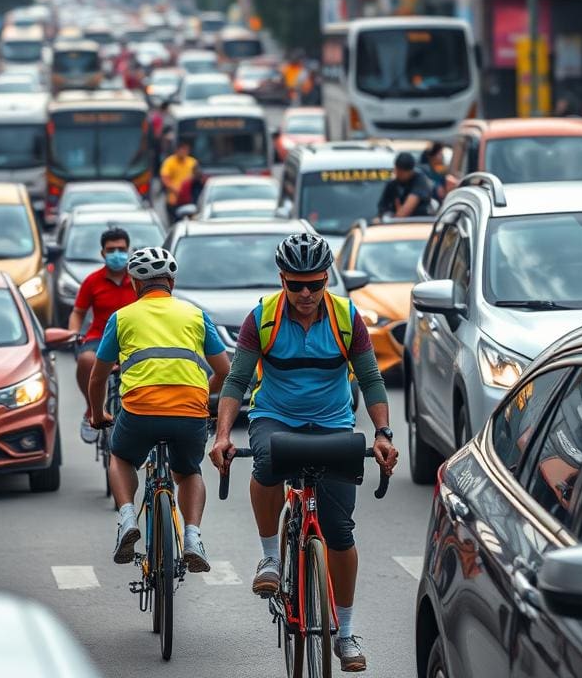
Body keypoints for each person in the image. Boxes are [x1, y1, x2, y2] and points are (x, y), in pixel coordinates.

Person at [210, 233, 398, 673]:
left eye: (315, 283)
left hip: (332, 422)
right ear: (282, 280)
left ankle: (345, 633)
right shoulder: (262, 318)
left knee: (339, 531)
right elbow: (235, 382)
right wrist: (221, 434)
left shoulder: (347, 318)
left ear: (327, 278)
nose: (306, 294)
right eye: (296, 285)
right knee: (269, 461)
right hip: (275, 416)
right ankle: (271, 557)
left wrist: (384, 433)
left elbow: (371, 380)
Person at [88, 247, 231, 572]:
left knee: (121, 458)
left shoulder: (122, 317)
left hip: (140, 411)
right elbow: (224, 371)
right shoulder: (195, 315)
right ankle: (193, 536)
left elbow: (98, 377)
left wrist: (98, 414)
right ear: (171, 281)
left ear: (135, 284)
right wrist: (199, 395)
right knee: (189, 472)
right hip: (190, 411)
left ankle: (126, 519)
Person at [68, 227, 137, 444]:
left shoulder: (138, 279)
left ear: (129, 250)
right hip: (99, 337)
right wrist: (73, 334)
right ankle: (92, 409)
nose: (117, 253)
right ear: (102, 253)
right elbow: (78, 313)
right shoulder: (92, 281)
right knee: (86, 360)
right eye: (111, 249)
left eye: (121, 249)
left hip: (133, 338)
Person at [377, 152, 433, 218]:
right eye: (397, 170)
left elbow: (404, 213)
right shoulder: (392, 184)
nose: (397, 173)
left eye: (401, 172)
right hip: (393, 224)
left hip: (418, 224)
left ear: (410, 171)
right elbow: (382, 208)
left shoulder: (420, 181)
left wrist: (397, 215)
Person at [160, 140, 197, 221]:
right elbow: (165, 178)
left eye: (185, 149)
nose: (183, 152)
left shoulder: (192, 162)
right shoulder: (169, 162)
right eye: (181, 149)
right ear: (176, 150)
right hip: (174, 200)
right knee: (175, 222)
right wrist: (176, 190)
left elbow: (197, 177)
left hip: (189, 200)